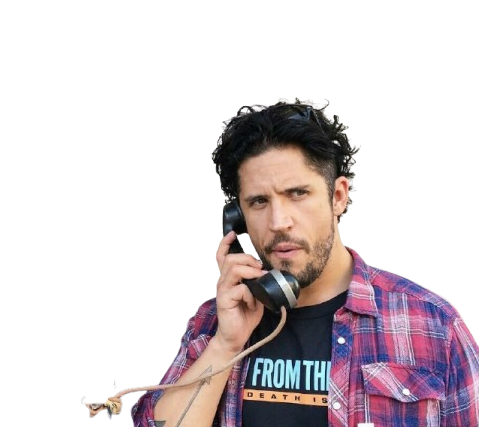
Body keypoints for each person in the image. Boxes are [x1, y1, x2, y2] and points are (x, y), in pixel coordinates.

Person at [129, 98, 479, 427]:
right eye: (259, 202)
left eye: (297, 194)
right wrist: (225, 346)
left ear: (338, 196)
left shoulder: (434, 325)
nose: (279, 222)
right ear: (238, 220)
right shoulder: (212, 324)